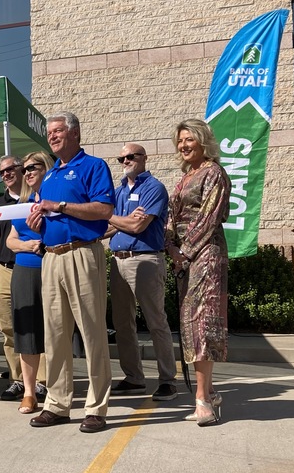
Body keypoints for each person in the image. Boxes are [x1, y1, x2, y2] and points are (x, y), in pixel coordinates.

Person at [26, 111, 114, 433]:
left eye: (58, 131)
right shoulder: (48, 177)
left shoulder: (93, 167)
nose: (52, 137)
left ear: (75, 133)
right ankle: (58, 404)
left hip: (82, 254)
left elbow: (104, 210)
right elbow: (43, 215)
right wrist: (39, 221)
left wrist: (59, 207)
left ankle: (96, 407)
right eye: (49, 133)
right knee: (55, 336)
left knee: (91, 333)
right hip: (51, 258)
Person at [165, 119, 231, 426]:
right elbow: (171, 217)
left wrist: (183, 251)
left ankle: (203, 401)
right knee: (190, 324)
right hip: (184, 259)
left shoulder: (214, 172)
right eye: (180, 141)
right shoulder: (184, 177)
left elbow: (208, 218)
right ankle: (210, 390)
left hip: (205, 254)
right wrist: (168, 244)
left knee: (203, 323)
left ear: (203, 141)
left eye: (189, 139)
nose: (184, 145)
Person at [105, 144, 178, 401]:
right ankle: (134, 378)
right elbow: (107, 227)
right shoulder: (118, 191)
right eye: (121, 157)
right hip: (117, 260)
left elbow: (138, 225)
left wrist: (114, 218)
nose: (125, 160)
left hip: (145, 259)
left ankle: (168, 380)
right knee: (122, 323)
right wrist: (118, 218)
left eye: (131, 156)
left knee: (156, 322)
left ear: (144, 159)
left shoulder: (154, 188)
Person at [5, 152, 53, 414]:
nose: (28, 172)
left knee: (56, 332)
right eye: (25, 169)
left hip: (52, 269)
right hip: (24, 271)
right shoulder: (23, 204)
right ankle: (30, 393)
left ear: (47, 169)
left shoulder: (55, 201)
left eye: (33, 167)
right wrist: (27, 244)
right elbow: (10, 240)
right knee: (26, 334)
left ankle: (56, 389)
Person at [0, 155, 28, 401]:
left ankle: (41, 380)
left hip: (30, 268)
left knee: (34, 326)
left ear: (22, 170)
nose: (5, 174)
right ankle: (17, 380)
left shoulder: (33, 198)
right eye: (1, 172)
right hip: (3, 270)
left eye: (10, 169)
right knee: (8, 328)